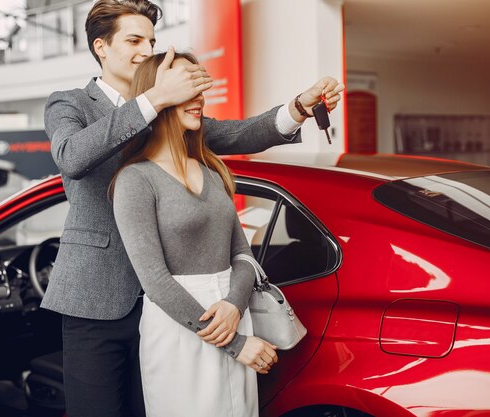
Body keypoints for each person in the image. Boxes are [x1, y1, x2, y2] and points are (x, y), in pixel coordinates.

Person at [42, 1, 344, 416]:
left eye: (150, 41)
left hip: (174, 306)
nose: (145, 51)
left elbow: (235, 134)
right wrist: (153, 98)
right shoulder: (70, 103)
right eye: (133, 41)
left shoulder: (170, 106)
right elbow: (72, 157)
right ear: (101, 47)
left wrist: (297, 109)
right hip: (98, 299)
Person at [112, 51, 279, 417]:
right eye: (187, 87)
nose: (199, 97)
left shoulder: (211, 168)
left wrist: (235, 305)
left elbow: (242, 252)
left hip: (233, 314)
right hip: (180, 328)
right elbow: (154, 281)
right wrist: (235, 343)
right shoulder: (135, 180)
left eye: (200, 87)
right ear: (159, 95)